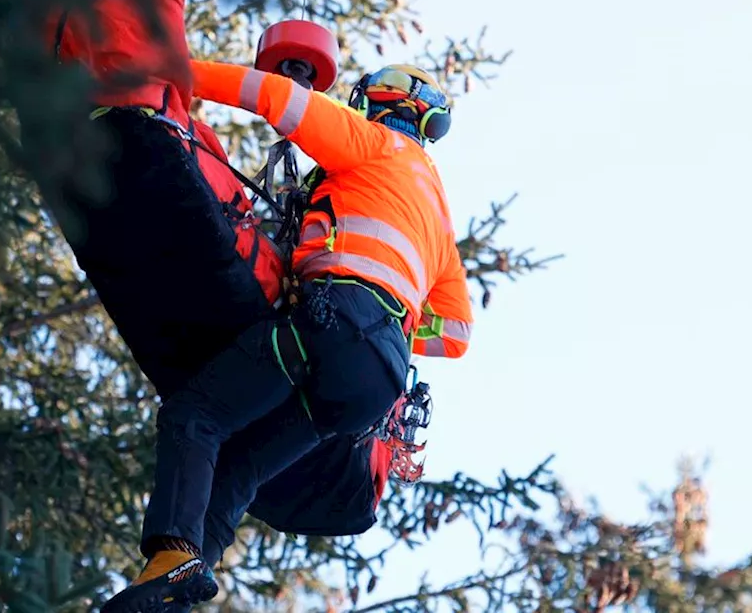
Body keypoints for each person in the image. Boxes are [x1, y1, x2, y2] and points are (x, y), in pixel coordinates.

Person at [101, 61, 474, 613]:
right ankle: (178, 583)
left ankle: (173, 554)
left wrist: (175, 70)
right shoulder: (437, 215)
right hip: (379, 380)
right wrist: (396, 317)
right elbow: (459, 333)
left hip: (333, 323)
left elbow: (274, 96)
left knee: (195, 414)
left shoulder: (373, 144)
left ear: (379, 103)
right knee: (242, 466)